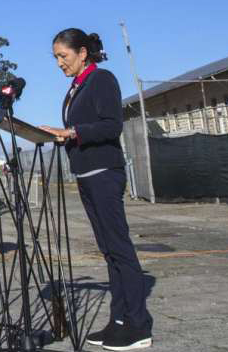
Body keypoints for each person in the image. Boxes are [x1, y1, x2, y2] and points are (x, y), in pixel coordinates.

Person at [40, 28, 153, 351]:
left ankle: (138, 324)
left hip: (104, 172)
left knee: (120, 248)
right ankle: (119, 321)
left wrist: (72, 131)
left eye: (64, 56)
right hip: (86, 174)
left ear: (82, 53)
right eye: (56, 58)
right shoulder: (76, 87)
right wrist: (58, 134)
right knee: (108, 250)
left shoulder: (101, 79)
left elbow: (111, 125)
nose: (60, 63)